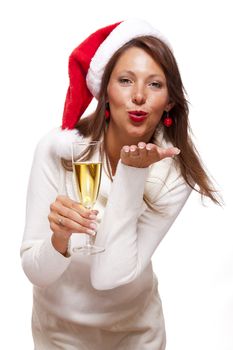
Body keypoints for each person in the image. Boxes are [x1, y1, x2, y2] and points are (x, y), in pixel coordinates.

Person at [21, 19, 220, 349]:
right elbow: (35, 270)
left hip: (135, 333)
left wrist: (132, 173)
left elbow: (108, 276)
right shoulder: (58, 149)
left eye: (155, 85)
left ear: (170, 100)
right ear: (105, 91)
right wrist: (59, 238)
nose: (139, 96)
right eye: (126, 81)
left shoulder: (175, 173)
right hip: (59, 333)